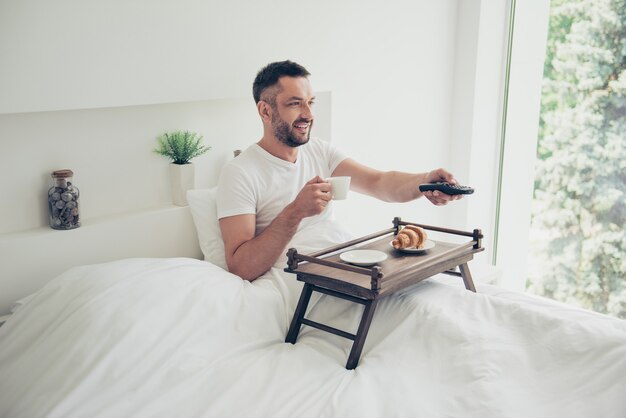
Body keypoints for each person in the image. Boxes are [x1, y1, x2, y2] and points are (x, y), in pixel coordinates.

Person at [217, 60, 463, 281]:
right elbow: (241, 267)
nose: (309, 114)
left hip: (345, 262)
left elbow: (378, 182)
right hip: (302, 276)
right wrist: (296, 211)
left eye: (310, 102)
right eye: (295, 104)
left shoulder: (319, 151)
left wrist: (425, 182)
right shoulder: (240, 173)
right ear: (265, 111)